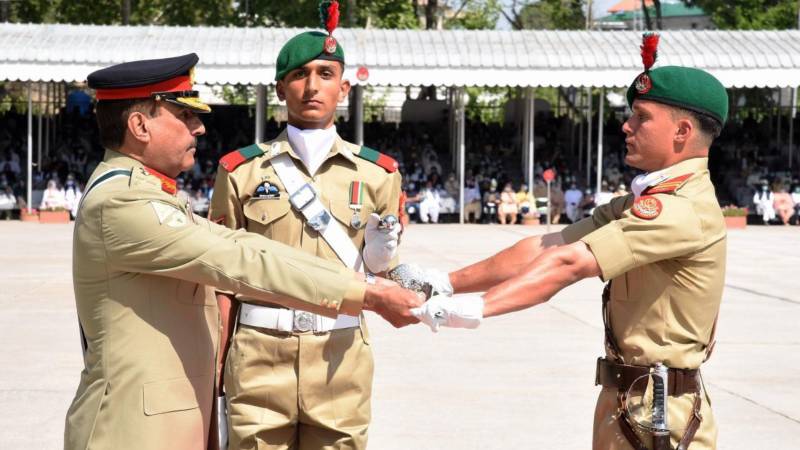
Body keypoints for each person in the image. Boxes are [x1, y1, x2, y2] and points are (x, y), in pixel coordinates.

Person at [64, 53, 420, 450]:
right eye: (184, 116)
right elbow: (240, 260)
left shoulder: (145, 195)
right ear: (139, 125)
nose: (199, 128)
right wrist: (366, 292)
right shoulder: (123, 203)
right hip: (131, 431)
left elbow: (241, 244)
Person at [410, 35, 728, 450]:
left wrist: (474, 309)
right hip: (631, 398)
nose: (626, 126)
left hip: (660, 412)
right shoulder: (642, 202)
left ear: (682, 131)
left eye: (641, 117)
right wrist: (445, 283)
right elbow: (547, 245)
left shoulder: (681, 210)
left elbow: (570, 264)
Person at [208, 11, 404, 450]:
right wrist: (215, 368)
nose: (312, 86)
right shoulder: (239, 171)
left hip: (340, 356)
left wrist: (379, 262)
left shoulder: (379, 174)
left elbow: (384, 276)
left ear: (344, 88)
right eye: (298, 75)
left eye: (325, 74)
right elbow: (218, 281)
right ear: (280, 88)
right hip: (259, 352)